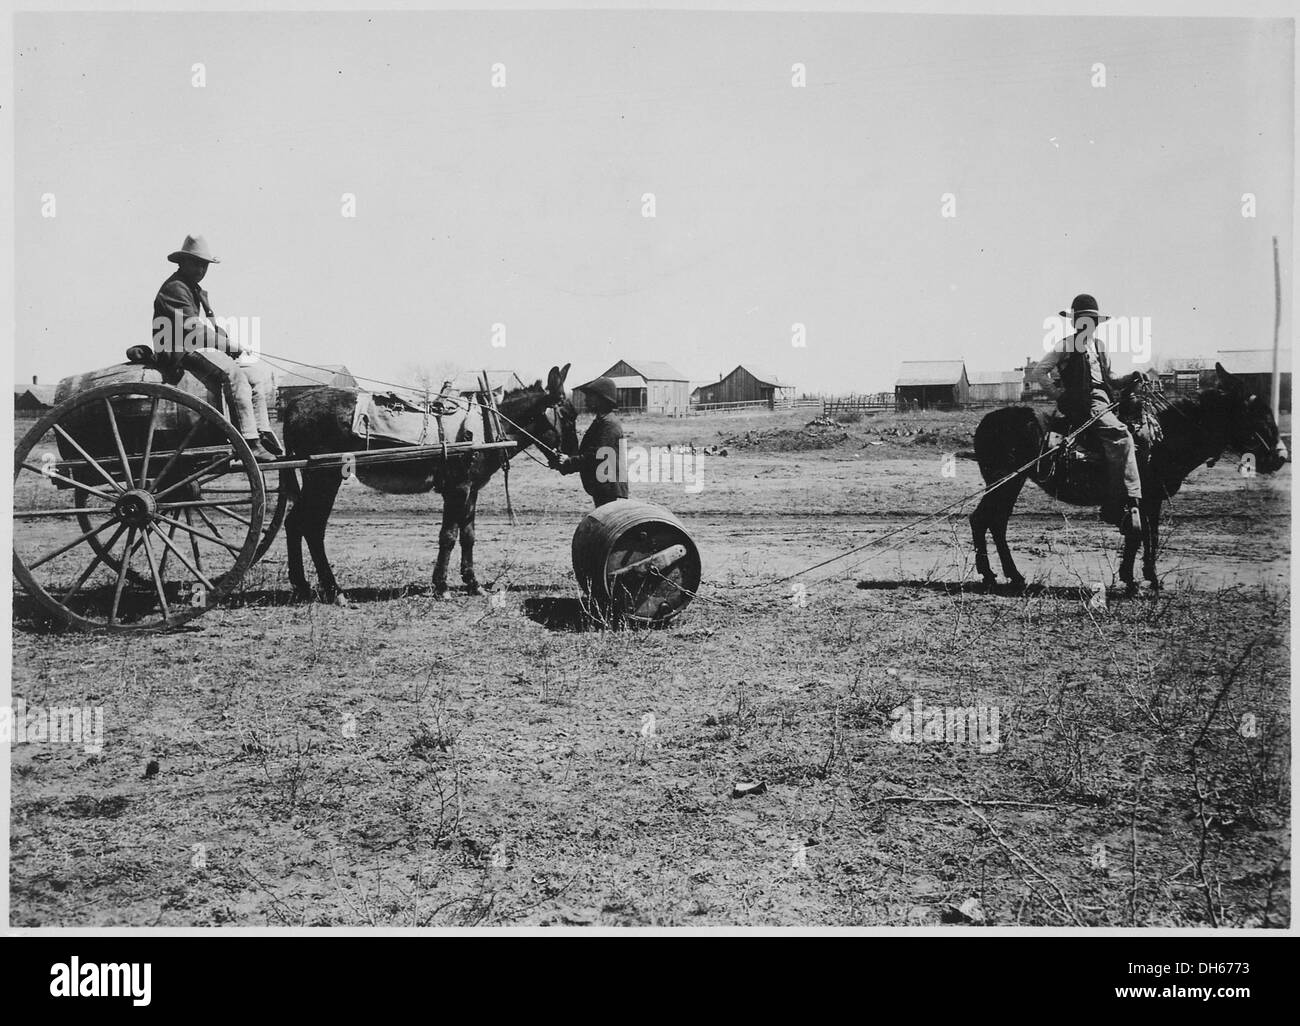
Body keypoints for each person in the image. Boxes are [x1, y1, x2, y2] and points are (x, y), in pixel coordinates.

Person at [152, 234, 278, 462]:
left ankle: (263, 432)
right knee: (234, 373)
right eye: (196, 263)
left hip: (192, 345)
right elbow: (193, 330)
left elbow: (209, 327)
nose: (201, 269)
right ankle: (250, 441)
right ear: (183, 262)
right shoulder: (175, 288)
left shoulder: (192, 288)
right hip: (177, 349)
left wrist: (229, 345)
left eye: (205, 265)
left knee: (255, 376)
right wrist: (228, 345)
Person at [1032, 293, 1143, 537]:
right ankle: (1125, 499)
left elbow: (1110, 379)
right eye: (1083, 320)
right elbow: (1039, 372)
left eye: (1091, 321)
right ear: (1075, 322)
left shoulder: (1100, 347)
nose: (1087, 325)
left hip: (1105, 400)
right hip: (1083, 404)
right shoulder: (1066, 345)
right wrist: (1060, 394)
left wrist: (1131, 376)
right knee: (1122, 435)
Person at [552, 376, 628, 506]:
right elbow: (589, 452)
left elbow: (597, 456)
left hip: (609, 490)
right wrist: (564, 462)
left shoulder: (609, 424)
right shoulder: (602, 421)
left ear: (601, 400)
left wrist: (569, 461)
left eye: (590, 396)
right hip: (604, 487)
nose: (586, 400)